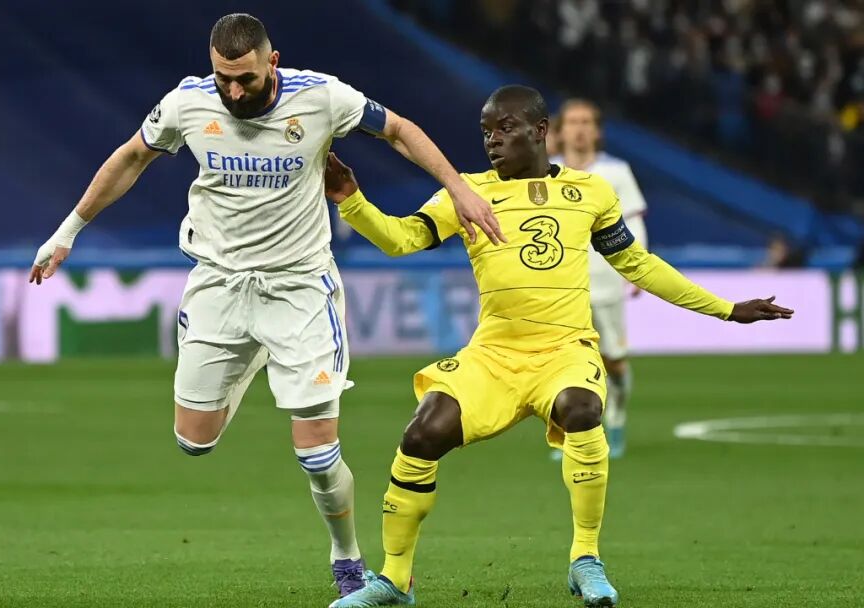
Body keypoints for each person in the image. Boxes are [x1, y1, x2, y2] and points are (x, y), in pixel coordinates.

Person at [27, 13, 503, 598]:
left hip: (299, 290)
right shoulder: (187, 103)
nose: (233, 92)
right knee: (193, 441)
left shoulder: (322, 97)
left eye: (245, 79)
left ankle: (347, 558)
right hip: (219, 286)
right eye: (223, 78)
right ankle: (251, 357)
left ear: (271, 62)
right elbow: (131, 157)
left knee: (317, 453)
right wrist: (68, 231)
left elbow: (399, 130)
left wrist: (459, 188)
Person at [323, 85, 793, 608]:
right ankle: (395, 579)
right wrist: (352, 201)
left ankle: (585, 559)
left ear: (540, 131)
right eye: (486, 132)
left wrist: (725, 308)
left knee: (583, 409)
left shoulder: (590, 191)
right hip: (494, 356)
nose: (492, 141)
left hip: (565, 350)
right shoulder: (467, 192)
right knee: (421, 434)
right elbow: (400, 239)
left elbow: (638, 265)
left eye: (505, 128)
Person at [553, 98, 648, 458]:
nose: (579, 129)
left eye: (586, 122)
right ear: (560, 131)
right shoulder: (545, 172)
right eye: (572, 122)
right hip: (560, 286)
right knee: (563, 363)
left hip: (606, 282)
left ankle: (617, 416)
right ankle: (570, 433)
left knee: (613, 361)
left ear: (597, 131)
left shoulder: (617, 172)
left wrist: (637, 268)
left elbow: (634, 220)